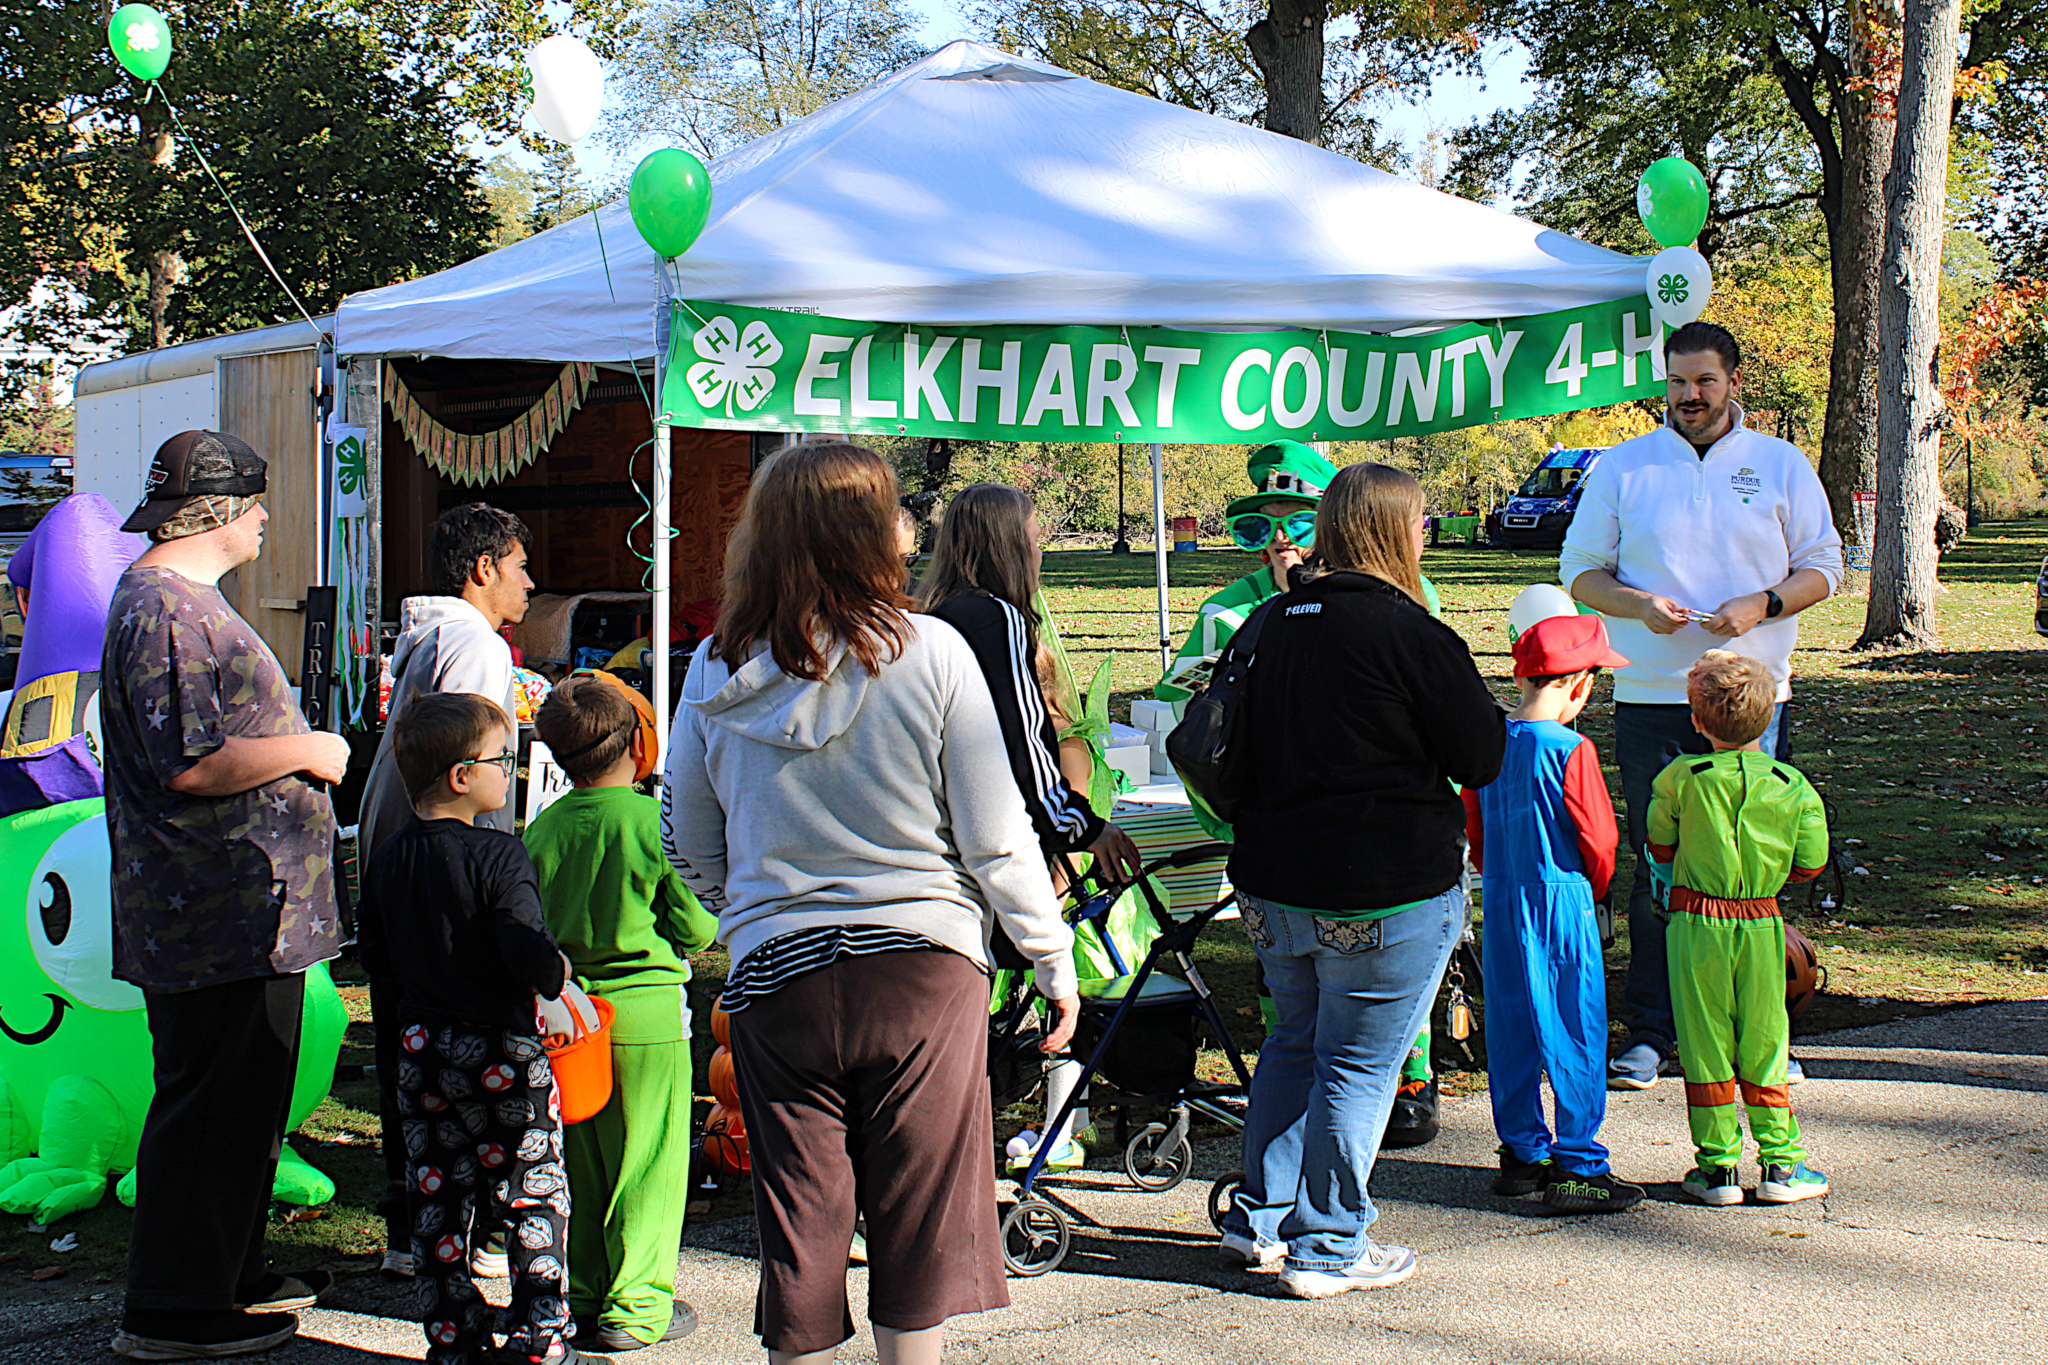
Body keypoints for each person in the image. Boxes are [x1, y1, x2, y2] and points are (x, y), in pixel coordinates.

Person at [661, 442, 1077, 1365]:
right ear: (873, 532)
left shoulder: (714, 668)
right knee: (918, 1220)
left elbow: (684, 833)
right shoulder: (933, 652)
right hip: (923, 967)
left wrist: (749, 906)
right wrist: (1052, 957)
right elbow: (997, 834)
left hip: (778, 974)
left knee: (800, 1231)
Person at [1217, 463, 1504, 1298]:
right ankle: (1329, 1241)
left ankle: (1260, 1218)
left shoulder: (1266, 623)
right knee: (1356, 1065)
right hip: (1384, 887)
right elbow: (1481, 754)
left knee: (1294, 1043)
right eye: (1420, 523)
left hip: (1273, 885)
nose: (1426, 536)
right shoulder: (1412, 633)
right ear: (1391, 532)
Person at [104, 431, 350, 1360]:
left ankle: (231, 1272)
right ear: (222, 511)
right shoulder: (165, 610)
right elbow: (191, 760)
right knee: (209, 1105)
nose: (266, 520)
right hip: (210, 915)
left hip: (248, 911)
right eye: (257, 504)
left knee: (246, 1100)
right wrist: (308, 749)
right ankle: (173, 1309)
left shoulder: (180, 601)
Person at [1559, 321, 1843, 1091]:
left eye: (1704, 381)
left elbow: (1826, 566)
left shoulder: (1780, 464)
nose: (1689, 395)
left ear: (1734, 382)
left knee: (1750, 871)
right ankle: (1653, 1030)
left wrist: (1764, 602)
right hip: (1653, 695)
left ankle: (1756, 1031)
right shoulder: (1625, 466)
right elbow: (1579, 569)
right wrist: (1638, 605)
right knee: (1661, 868)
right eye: (1678, 381)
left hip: (1754, 701)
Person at [1155, 441, 1443, 1144]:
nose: (1279, 539)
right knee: (1289, 974)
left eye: (1297, 521)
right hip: (1271, 823)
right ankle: (1296, 1090)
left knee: (1390, 961)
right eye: (1258, 526)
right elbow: (1189, 716)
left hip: (1377, 829)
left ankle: (1411, 1078)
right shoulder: (1224, 612)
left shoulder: (1403, 594)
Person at [917, 483, 1144, 1172]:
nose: (1042, 550)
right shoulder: (999, 621)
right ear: (1009, 545)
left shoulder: (928, 619)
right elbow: (1022, 745)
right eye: (1036, 536)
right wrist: (1082, 827)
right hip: (992, 847)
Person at [357, 693, 577, 1365]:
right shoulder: (498, 854)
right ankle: (542, 1332)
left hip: (421, 1047)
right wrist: (557, 973)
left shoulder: (387, 857)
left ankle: (453, 1335)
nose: (509, 769)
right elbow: (523, 943)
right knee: (532, 1188)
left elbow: (375, 956)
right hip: (499, 1047)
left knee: (437, 1192)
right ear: (461, 775)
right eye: (502, 759)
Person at [358, 502, 535, 1277]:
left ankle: (414, 1224)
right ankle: (473, 1229)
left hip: (400, 862)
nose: (530, 582)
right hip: (447, 879)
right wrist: (487, 871)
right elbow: (462, 764)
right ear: (484, 568)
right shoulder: (474, 647)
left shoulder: (433, 638)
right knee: (465, 1060)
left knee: (409, 1053)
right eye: (521, 565)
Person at [525, 673, 718, 1352]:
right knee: (649, 1166)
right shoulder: (651, 824)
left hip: (570, 1021)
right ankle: (636, 1306)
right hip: (646, 1019)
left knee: (581, 1163)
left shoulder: (542, 829)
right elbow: (697, 927)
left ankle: (582, 1292)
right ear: (639, 744)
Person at [1461, 615, 1642, 1214]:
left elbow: (1474, 825)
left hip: (1501, 895)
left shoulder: (1490, 741)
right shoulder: (1571, 748)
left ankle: (1521, 1153)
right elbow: (1598, 837)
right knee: (1574, 1023)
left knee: (1509, 1025)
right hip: (1560, 896)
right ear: (1580, 683)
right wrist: (1597, 888)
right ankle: (1579, 1163)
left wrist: (1494, 868)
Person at [1646, 652, 1831, 1208]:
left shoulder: (1680, 779)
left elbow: (1659, 846)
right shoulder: (1793, 785)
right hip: (1760, 921)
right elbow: (1811, 863)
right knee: (1766, 1040)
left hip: (1695, 923)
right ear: (1770, 715)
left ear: (1696, 720)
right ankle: (1781, 1162)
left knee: (1704, 1041)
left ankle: (1717, 1167)